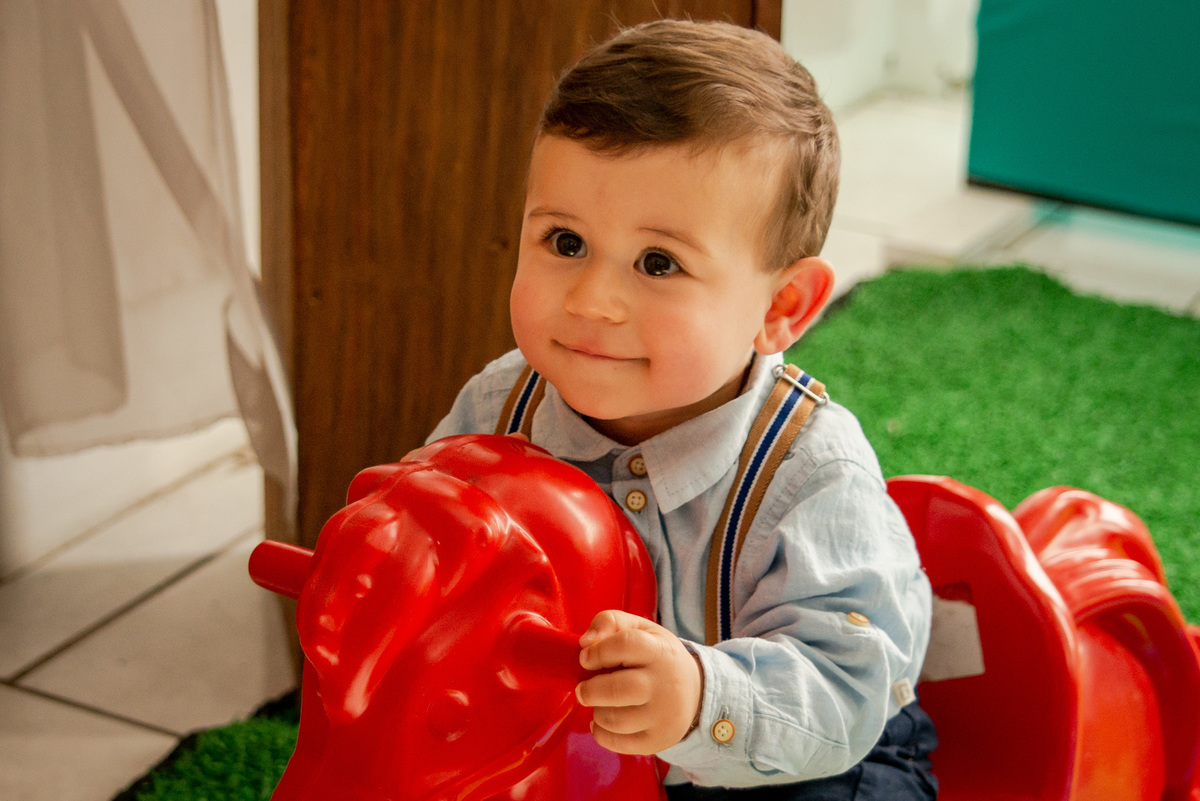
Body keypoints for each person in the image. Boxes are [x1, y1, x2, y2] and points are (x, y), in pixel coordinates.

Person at [426, 18, 936, 800]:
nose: (593, 300)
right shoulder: (500, 404)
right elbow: (422, 534)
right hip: (573, 739)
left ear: (784, 306)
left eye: (657, 263)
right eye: (564, 242)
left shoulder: (810, 470)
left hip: (795, 751)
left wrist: (703, 697)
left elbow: (843, 690)